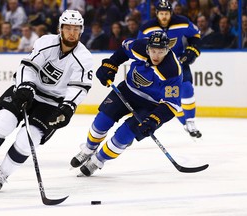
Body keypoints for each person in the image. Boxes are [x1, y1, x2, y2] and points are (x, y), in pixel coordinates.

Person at [0, 10, 93, 190]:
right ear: (60, 29)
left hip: (51, 103)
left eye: (76, 29)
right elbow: (28, 66)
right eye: (68, 28)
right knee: (2, 122)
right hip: (29, 91)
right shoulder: (45, 42)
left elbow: (80, 87)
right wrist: (26, 86)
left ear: (81, 30)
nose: (72, 32)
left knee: (28, 139)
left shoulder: (84, 57)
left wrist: (68, 107)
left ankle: (2, 174)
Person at [70, 31, 183, 176]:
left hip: (151, 105)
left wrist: (154, 121)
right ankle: (88, 149)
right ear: (147, 48)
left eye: (160, 52)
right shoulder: (139, 46)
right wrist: (111, 65)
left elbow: (171, 104)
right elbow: (123, 50)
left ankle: (98, 160)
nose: (155, 56)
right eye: (153, 51)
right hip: (127, 91)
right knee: (101, 121)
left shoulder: (172, 71)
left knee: (124, 135)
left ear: (167, 50)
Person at [137, 0, 202, 138]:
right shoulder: (147, 28)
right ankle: (185, 123)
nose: (164, 16)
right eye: (161, 13)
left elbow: (195, 35)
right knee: (171, 95)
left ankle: (190, 121)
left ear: (171, 13)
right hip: (158, 67)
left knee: (187, 89)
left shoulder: (182, 22)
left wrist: (192, 49)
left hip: (178, 63)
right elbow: (140, 45)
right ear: (156, 14)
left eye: (166, 13)